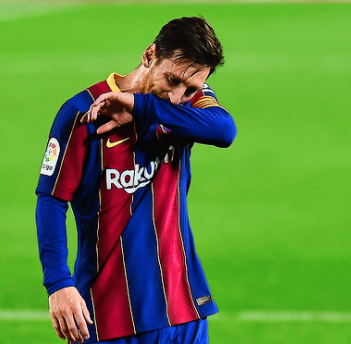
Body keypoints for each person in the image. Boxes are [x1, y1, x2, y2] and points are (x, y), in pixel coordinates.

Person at [35, 16, 237, 344]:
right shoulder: (82, 114)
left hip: (183, 311)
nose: (177, 96)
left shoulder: (188, 103)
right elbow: (52, 200)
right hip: (107, 315)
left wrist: (140, 105)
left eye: (190, 89)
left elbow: (224, 130)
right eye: (171, 81)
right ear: (149, 55)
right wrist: (58, 283)